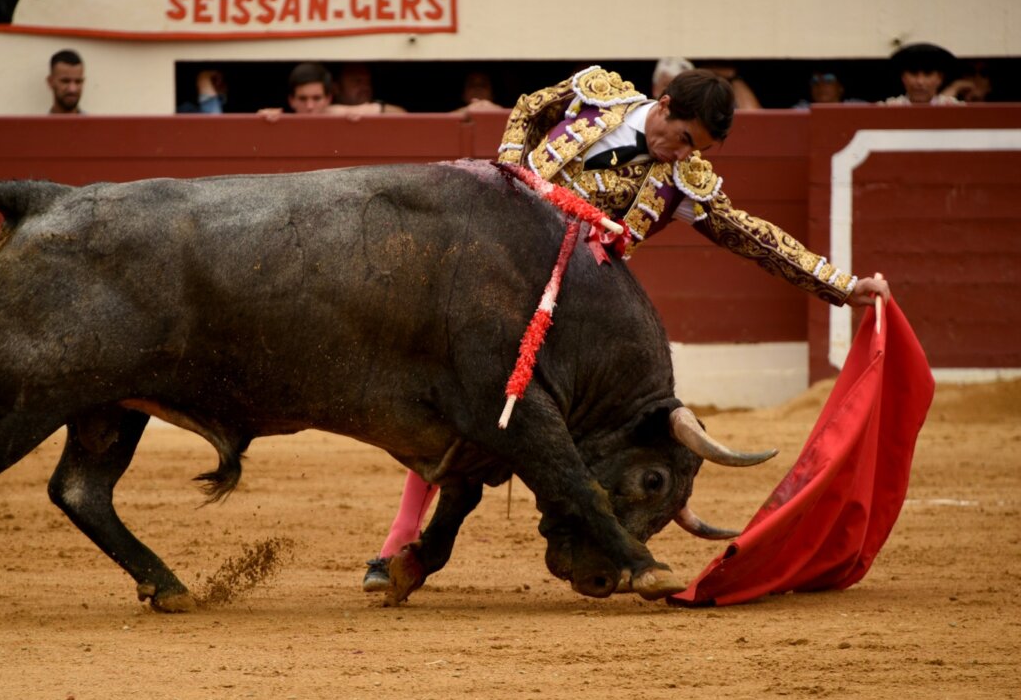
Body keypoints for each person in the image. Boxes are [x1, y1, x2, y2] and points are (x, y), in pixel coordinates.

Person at [362, 66, 891, 592]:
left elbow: (753, 237)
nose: (683, 155)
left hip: (556, 317)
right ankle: (411, 540)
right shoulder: (597, 94)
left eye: (696, 150)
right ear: (663, 105)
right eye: (683, 139)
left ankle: (402, 544)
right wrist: (507, 171)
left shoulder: (679, 183)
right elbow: (528, 108)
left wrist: (842, 287)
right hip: (477, 267)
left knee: (489, 408)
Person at [259, 62, 396, 119]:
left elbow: (402, 114)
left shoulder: (340, 115)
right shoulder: (279, 119)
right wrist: (263, 120)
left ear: (328, 99)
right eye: (302, 99)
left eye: (317, 98)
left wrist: (354, 111)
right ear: (291, 101)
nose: (310, 106)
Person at [880, 42, 962, 106]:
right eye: (913, 73)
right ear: (903, 77)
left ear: (940, 78)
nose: (920, 82)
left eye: (928, 74)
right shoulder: (887, 108)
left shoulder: (957, 109)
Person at [333, 62, 407, 113]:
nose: (366, 87)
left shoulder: (376, 109)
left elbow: (402, 114)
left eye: (368, 81)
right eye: (357, 81)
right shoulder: (324, 107)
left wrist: (375, 109)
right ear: (336, 88)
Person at [793, 70, 863, 108]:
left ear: (840, 87)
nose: (820, 86)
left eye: (828, 81)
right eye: (814, 81)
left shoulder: (856, 107)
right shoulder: (802, 109)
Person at [47, 48, 84, 114]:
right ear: (50, 82)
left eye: (78, 81)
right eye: (65, 81)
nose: (72, 89)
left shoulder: (98, 124)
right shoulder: (38, 124)